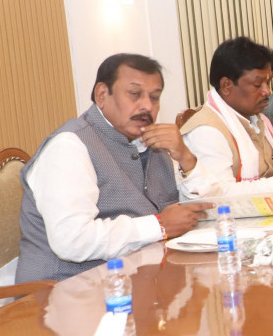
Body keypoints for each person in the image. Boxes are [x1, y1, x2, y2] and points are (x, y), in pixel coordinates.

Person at [16, 54, 213, 283]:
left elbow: (206, 212)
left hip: (139, 281)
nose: (147, 106)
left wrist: (186, 157)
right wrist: (159, 225)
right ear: (102, 95)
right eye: (135, 94)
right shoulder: (69, 146)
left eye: (155, 97)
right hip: (65, 290)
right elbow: (72, 241)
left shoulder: (153, 142)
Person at [182, 37, 273, 196]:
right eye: (257, 85)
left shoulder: (255, 118)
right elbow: (223, 193)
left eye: (267, 83)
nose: (267, 91)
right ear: (226, 85)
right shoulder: (207, 130)